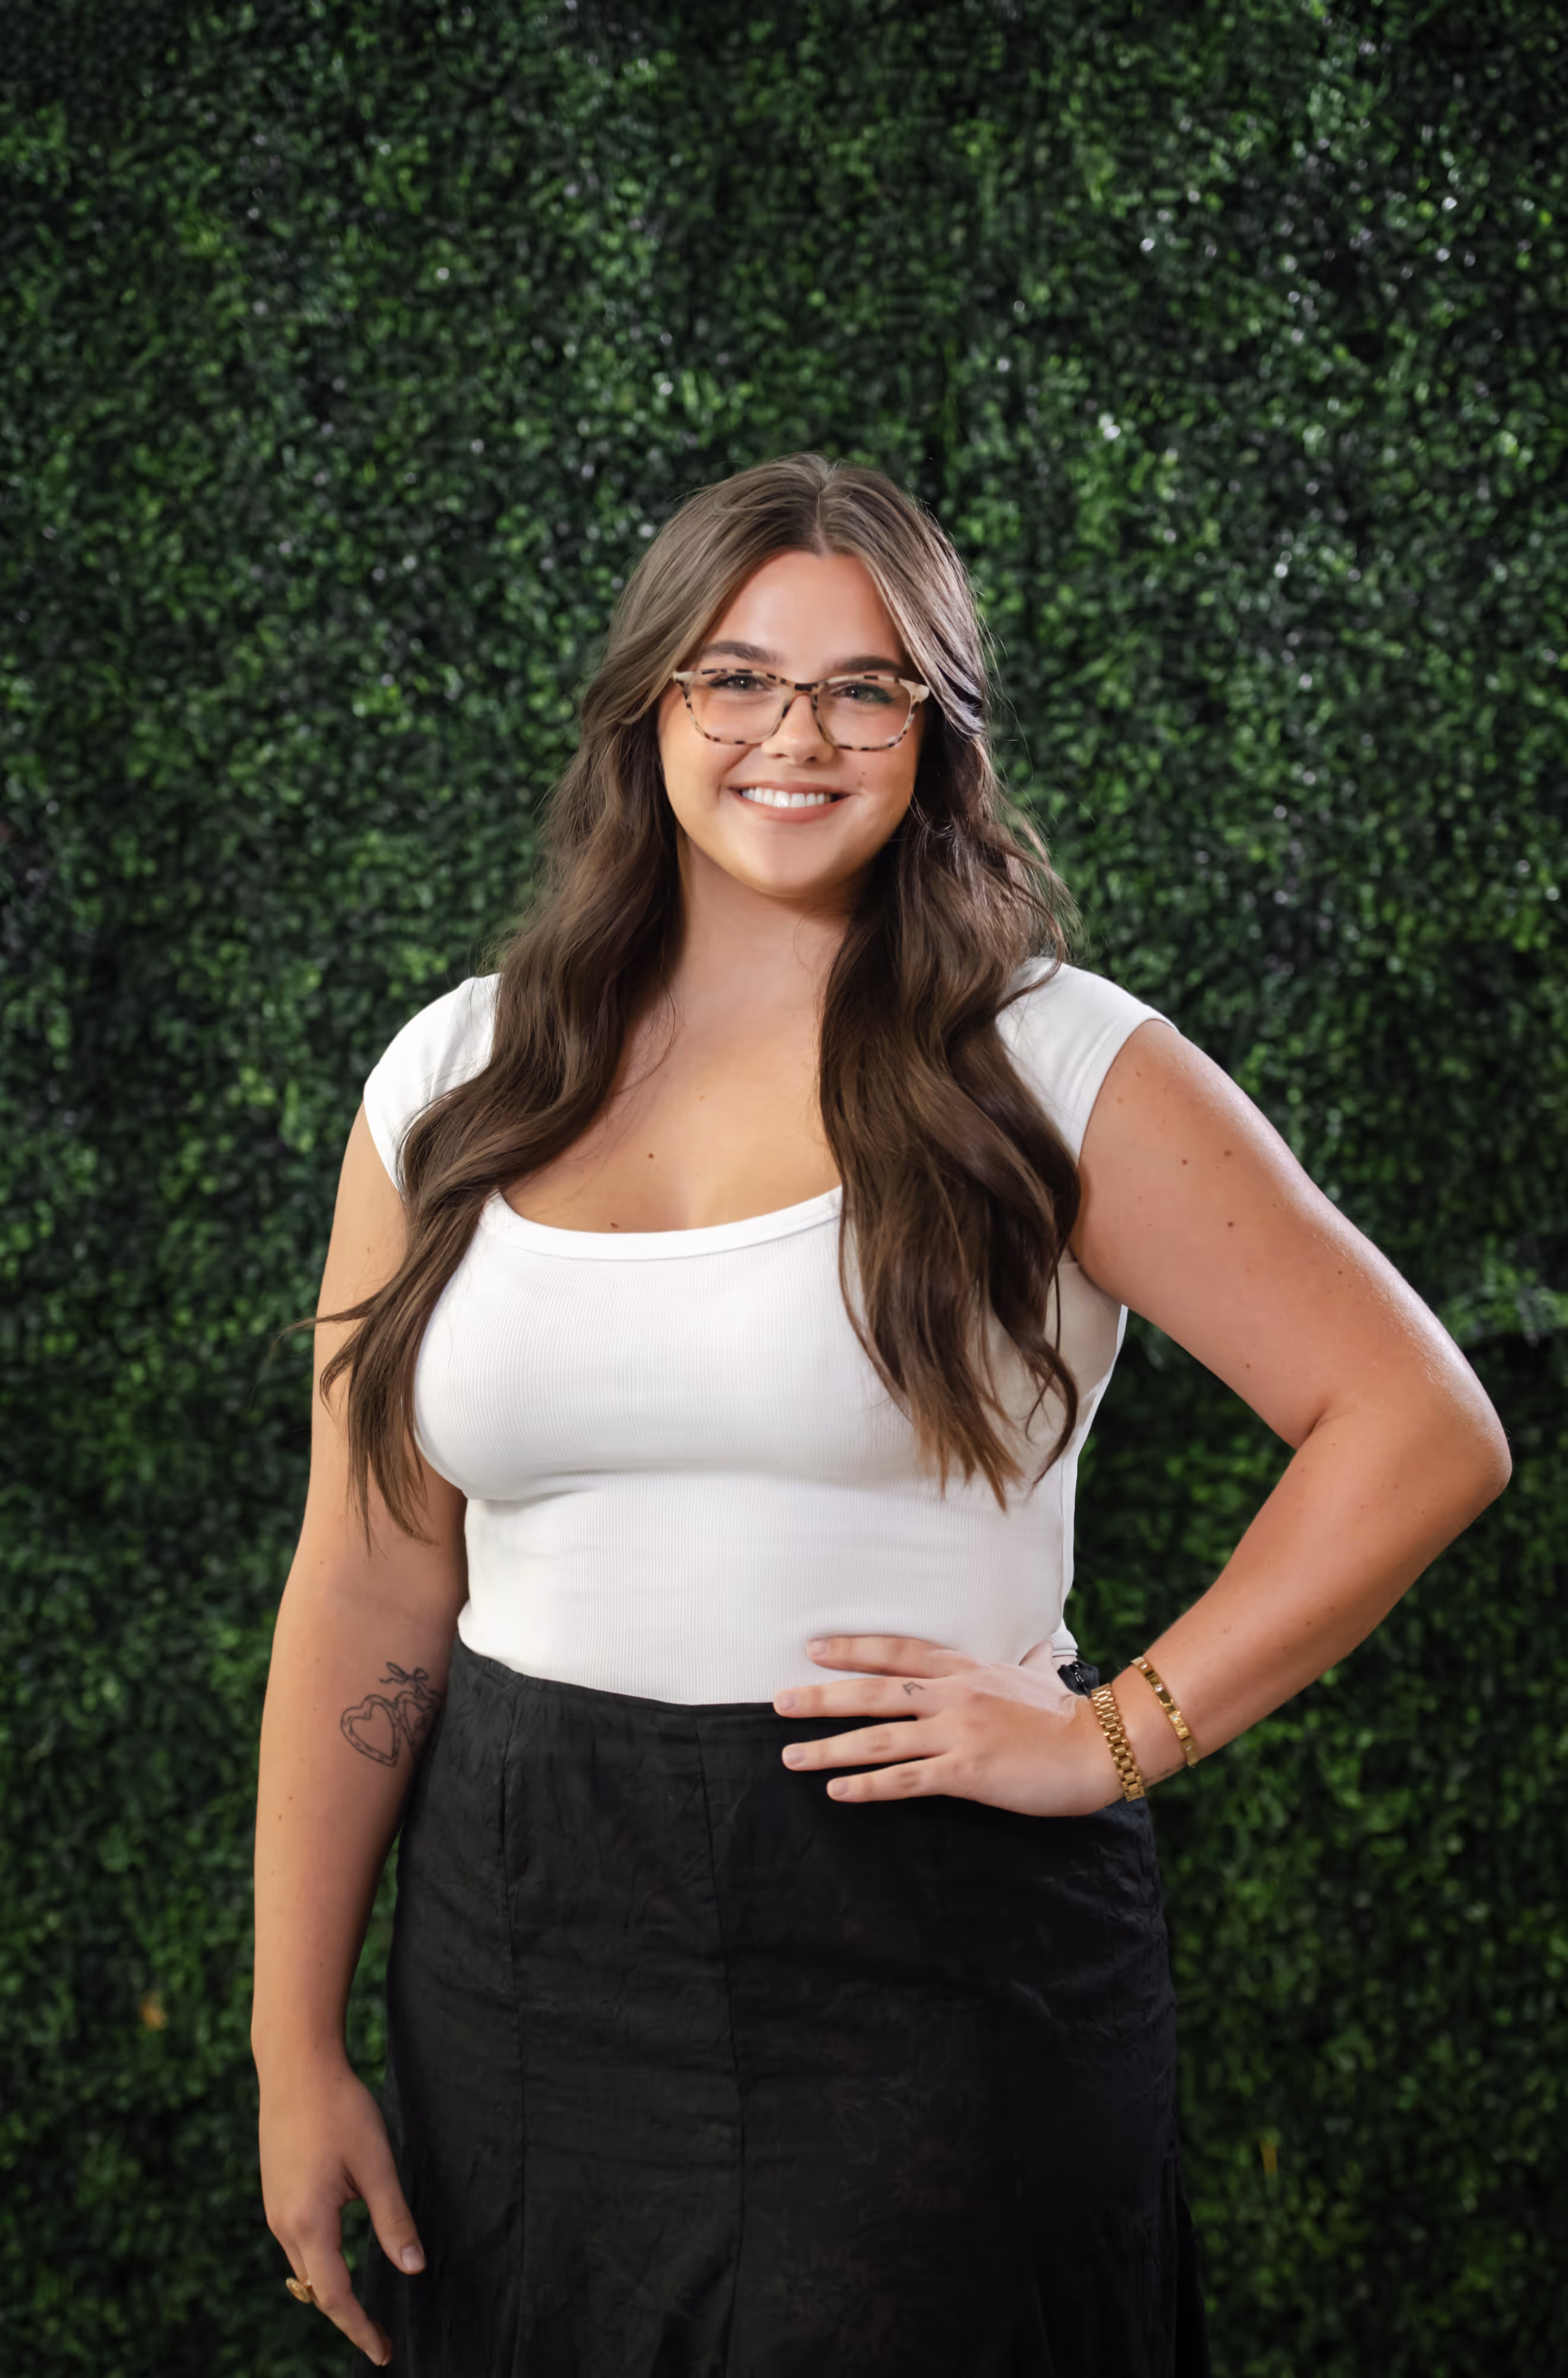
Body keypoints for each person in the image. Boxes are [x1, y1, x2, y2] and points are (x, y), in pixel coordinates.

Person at [251, 452, 1510, 2377]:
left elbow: (1416, 1424)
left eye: (866, 686)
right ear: (648, 704)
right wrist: (293, 2045)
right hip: (514, 1951)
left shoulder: (1051, 1059)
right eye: (735, 677)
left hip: (917, 1950)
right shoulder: (449, 1074)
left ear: (934, 732)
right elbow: (363, 1580)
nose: (796, 734)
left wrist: (1113, 1735)